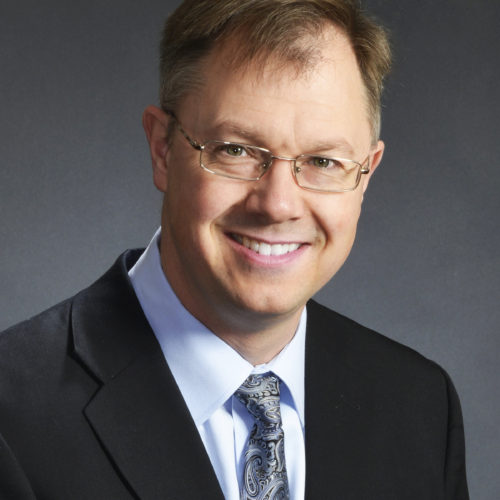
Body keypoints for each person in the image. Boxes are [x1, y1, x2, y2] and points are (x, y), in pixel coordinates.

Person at [0, 0, 469, 498]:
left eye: (323, 161)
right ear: (162, 149)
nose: (278, 205)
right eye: (236, 150)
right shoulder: (13, 416)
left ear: (366, 174)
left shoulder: (419, 405)